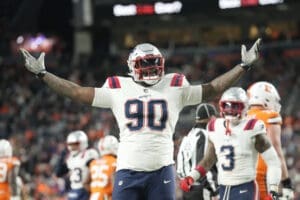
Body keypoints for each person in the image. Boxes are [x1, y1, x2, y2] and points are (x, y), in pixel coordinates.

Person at [20, 38, 261, 200]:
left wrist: (243, 66)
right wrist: (43, 74)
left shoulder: (175, 84)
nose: (150, 68)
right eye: (145, 63)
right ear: (132, 65)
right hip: (128, 170)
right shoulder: (117, 87)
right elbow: (76, 92)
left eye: (154, 63)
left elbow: (211, 88)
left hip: (162, 170)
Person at [179, 87, 282, 200]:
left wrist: (273, 190)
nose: (230, 109)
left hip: (245, 187)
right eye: (227, 105)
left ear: (245, 106)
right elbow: (208, 160)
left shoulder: (252, 127)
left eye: (235, 106)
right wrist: (192, 177)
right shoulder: (214, 127)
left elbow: (273, 161)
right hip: (224, 188)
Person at [247, 81, 294, 200]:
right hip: (260, 176)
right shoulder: (270, 116)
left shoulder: (242, 117)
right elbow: (276, 149)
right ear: (266, 98)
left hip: (238, 178)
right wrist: (287, 183)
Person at [177, 103, 219, 200]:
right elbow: (205, 164)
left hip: (187, 188)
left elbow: (179, 166)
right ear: (212, 117)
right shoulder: (205, 135)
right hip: (202, 189)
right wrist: (214, 190)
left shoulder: (188, 136)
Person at [55, 130, 99, 200]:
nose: (72, 147)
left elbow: (96, 170)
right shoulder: (70, 158)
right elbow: (58, 173)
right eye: (70, 144)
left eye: (75, 144)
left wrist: (88, 183)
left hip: (86, 189)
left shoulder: (89, 153)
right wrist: (61, 157)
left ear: (82, 143)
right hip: (73, 190)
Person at [89, 135, 119, 200]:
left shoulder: (93, 163)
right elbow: (114, 185)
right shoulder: (115, 162)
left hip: (93, 196)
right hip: (106, 197)